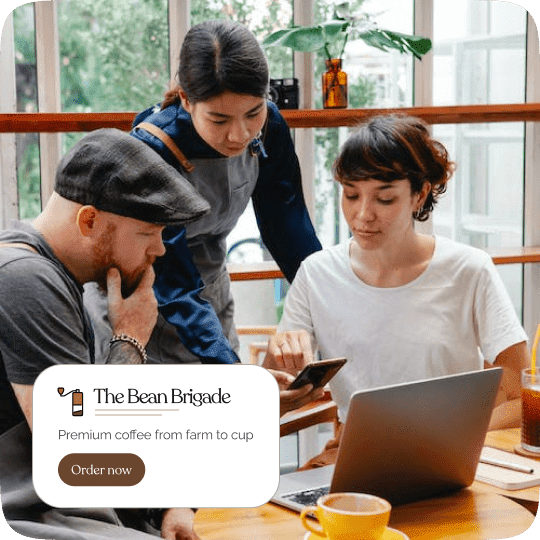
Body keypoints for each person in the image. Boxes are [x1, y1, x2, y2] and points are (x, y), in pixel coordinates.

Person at [0, 129, 317, 540]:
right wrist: (130, 337)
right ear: (90, 221)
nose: (161, 251)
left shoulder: (54, 277)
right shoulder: (26, 279)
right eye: (148, 234)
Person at [263, 114, 529, 468]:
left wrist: (444, 446)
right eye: (351, 195)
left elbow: (520, 394)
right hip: (355, 461)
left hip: (444, 462)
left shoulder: (469, 270)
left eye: (384, 199)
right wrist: (277, 357)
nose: (362, 215)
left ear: (419, 195)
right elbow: (278, 390)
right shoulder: (317, 273)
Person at [84, 19, 321, 366]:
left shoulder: (270, 125)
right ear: (186, 99)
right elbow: (174, 282)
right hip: (142, 299)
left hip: (208, 291)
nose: (240, 135)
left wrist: (326, 302)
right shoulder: (152, 150)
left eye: (252, 113)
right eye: (220, 120)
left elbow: (288, 228)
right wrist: (229, 369)